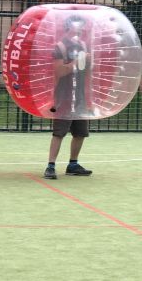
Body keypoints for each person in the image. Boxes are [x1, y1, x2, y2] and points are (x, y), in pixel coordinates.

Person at [43, 14, 93, 180]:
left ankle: (73, 164)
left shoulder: (83, 45)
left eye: (82, 25)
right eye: (78, 25)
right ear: (69, 26)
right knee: (59, 132)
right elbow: (59, 71)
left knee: (80, 132)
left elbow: (84, 71)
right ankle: (50, 166)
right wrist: (78, 62)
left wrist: (88, 62)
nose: (81, 28)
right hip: (64, 95)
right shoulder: (60, 47)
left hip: (79, 95)